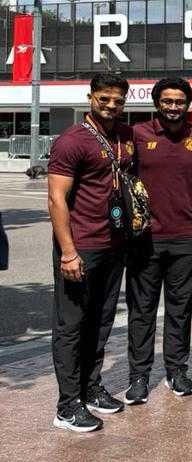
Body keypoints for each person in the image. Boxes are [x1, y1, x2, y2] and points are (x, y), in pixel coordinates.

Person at [48, 73, 136, 432]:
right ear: (90, 97)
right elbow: (56, 198)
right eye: (104, 99)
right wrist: (68, 252)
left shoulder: (125, 136)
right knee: (71, 326)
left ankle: (91, 387)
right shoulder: (72, 140)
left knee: (100, 321)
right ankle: (67, 406)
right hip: (81, 247)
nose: (111, 105)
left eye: (118, 100)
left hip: (114, 245)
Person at [124, 77, 192, 404]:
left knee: (180, 309)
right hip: (144, 240)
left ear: (188, 104)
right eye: (167, 101)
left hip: (185, 240)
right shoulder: (137, 135)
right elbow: (125, 183)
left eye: (179, 102)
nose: (173, 107)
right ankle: (139, 376)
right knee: (142, 311)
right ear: (157, 103)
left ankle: (177, 371)